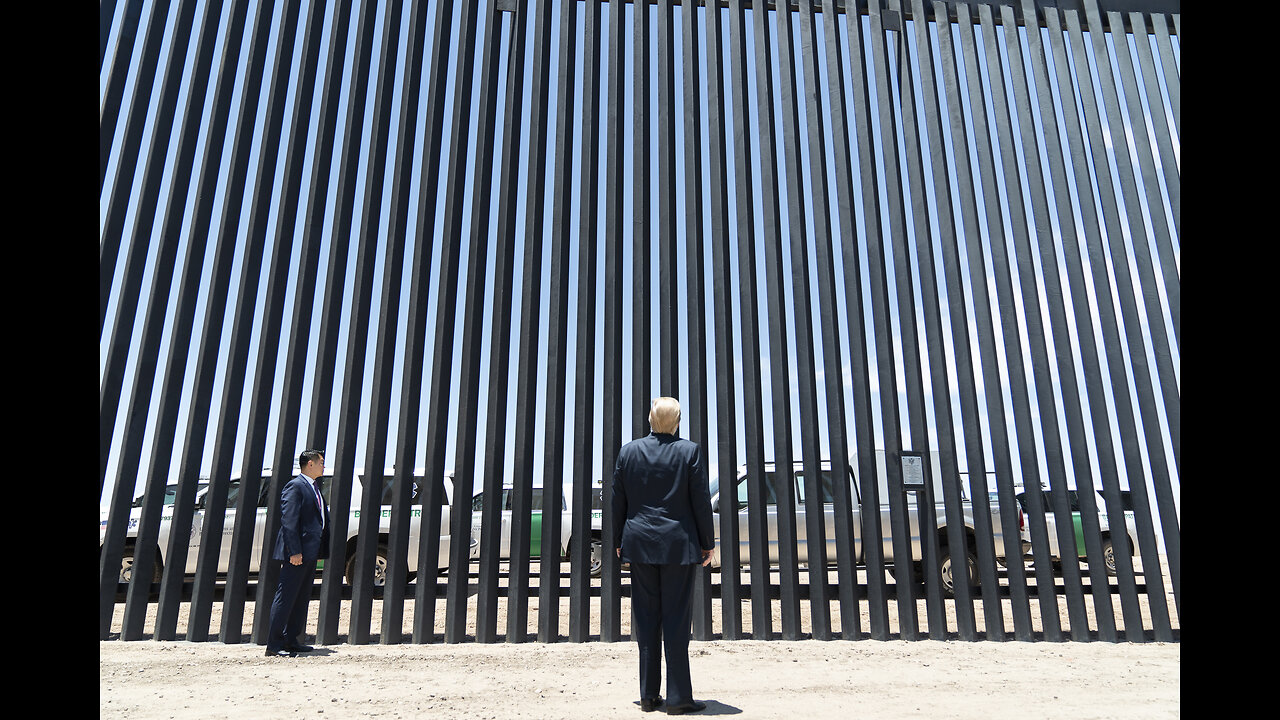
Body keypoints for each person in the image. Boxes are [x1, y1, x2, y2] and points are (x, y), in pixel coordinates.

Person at [612, 397, 715, 714]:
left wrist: (617, 540)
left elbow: (618, 499)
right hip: (678, 547)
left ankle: (647, 695)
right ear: (678, 421)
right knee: (676, 620)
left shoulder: (629, 452)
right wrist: (708, 543)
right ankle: (678, 697)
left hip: (640, 544)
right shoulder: (689, 451)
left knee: (646, 619)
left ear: (650, 419)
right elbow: (700, 501)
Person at [264, 449, 330, 657]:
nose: (323, 466)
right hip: (297, 554)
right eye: (321, 462)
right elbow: (289, 521)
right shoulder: (296, 486)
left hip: (309, 553)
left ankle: (291, 640)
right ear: (309, 464)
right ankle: (273, 646)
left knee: (300, 598)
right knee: (286, 597)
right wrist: (294, 551)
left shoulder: (314, 487)